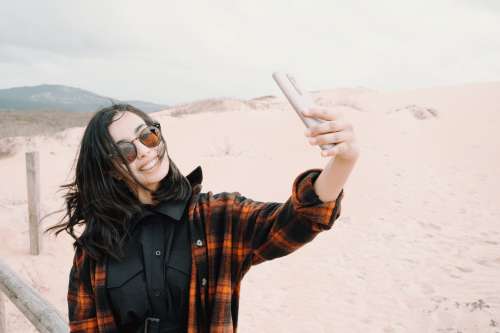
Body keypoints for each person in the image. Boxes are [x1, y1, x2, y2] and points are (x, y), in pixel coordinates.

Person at [47, 103, 359, 333]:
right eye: (126, 151)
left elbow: (296, 221)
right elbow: (84, 328)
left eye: (148, 136)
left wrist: (345, 160)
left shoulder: (216, 217)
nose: (144, 151)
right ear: (112, 170)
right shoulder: (94, 249)